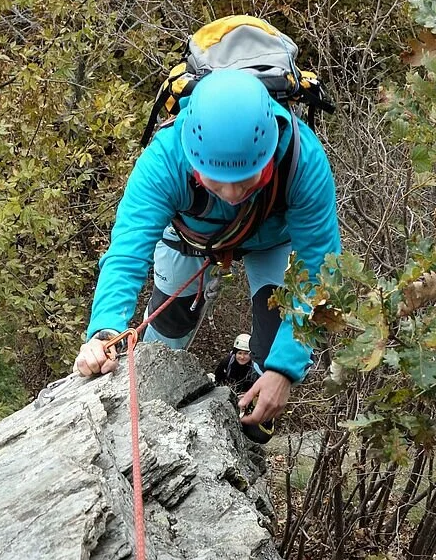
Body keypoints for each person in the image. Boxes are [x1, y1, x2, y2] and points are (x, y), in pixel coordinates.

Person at [72, 68, 341, 430]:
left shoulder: (301, 159)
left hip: (273, 240)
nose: (232, 194)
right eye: (217, 181)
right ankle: (146, 415)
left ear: (270, 150)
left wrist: (285, 371)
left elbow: (319, 270)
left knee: (275, 344)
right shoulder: (165, 159)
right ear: (193, 160)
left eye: (248, 180)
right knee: (167, 333)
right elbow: (126, 253)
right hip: (191, 239)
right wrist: (104, 331)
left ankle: (249, 418)